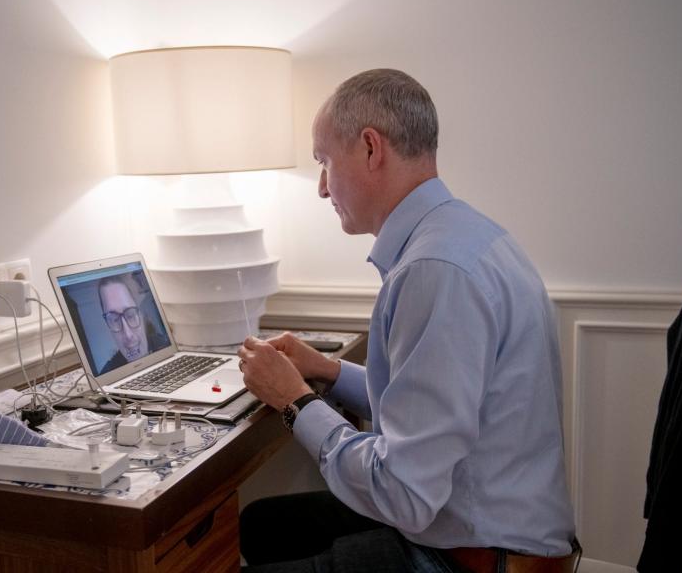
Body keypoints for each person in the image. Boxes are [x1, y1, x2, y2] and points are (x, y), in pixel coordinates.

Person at [237, 69, 578, 573]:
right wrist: (328, 372)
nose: (322, 188)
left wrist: (294, 401)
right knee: (261, 525)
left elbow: (403, 494)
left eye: (324, 162)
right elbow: (428, 411)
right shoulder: (465, 236)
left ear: (372, 149)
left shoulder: (434, 271)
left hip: (472, 556)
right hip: (477, 522)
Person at [97, 276, 155, 371]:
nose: (128, 335)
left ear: (141, 314)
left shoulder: (165, 345)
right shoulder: (106, 375)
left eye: (131, 315)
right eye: (115, 319)